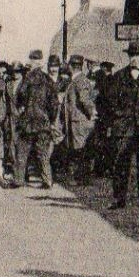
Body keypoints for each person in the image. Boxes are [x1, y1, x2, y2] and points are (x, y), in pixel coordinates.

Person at [103, 47, 139, 208]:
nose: (136, 58)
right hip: (124, 128)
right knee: (121, 163)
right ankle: (119, 198)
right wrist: (121, 116)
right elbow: (111, 101)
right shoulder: (119, 76)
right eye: (133, 55)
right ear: (129, 57)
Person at [15, 49, 60, 188]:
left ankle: (18, 180)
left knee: (22, 151)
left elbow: (20, 95)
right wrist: (51, 120)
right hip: (43, 121)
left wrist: (22, 108)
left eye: (32, 60)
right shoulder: (48, 80)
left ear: (36, 62)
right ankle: (47, 181)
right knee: (43, 154)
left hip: (28, 120)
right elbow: (54, 104)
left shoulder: (27, 78)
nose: (31, 62)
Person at [59, 54, 98, 184]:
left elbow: (84, 99)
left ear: (71, 66)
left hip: (79, 122)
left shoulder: (80, 80)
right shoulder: (76, 79)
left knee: (79, 150)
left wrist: (91, 112)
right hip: (75, 121)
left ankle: (81, 178)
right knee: (77, 150)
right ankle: (81, 177)